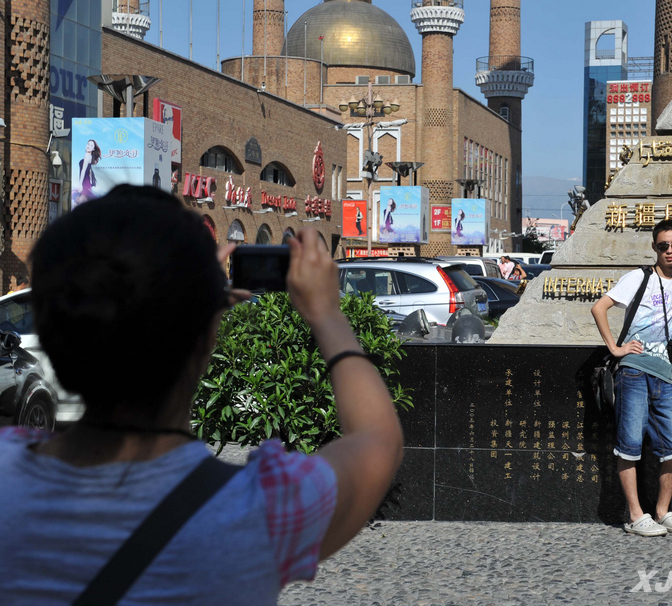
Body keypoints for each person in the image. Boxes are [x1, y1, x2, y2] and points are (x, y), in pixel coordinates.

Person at [0, 185, 404, 603]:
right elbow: (379, 441)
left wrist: (190, 302)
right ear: (209, 334)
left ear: (48, 330)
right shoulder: (256, 511)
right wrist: (327, 315)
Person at [590, 219, 672, 537]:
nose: (670, 251)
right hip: (633, 371)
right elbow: (599, 308)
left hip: (663, 374)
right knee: (630, 445)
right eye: (664, 246)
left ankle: (661, 512)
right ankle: (635, 516)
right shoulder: (638, 278)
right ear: (654, 247)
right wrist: (616, 348)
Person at [73, 139, 101, 206]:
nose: (88, 146)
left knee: (80, 201)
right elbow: (89, 171)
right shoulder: (89, 156)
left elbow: (83, 170)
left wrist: (80, 184)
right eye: (88, 144)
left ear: (93, 149)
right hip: (86, 182)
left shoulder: (87, 155)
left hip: (85, 183)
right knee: (81, 201)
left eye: (91, 145)